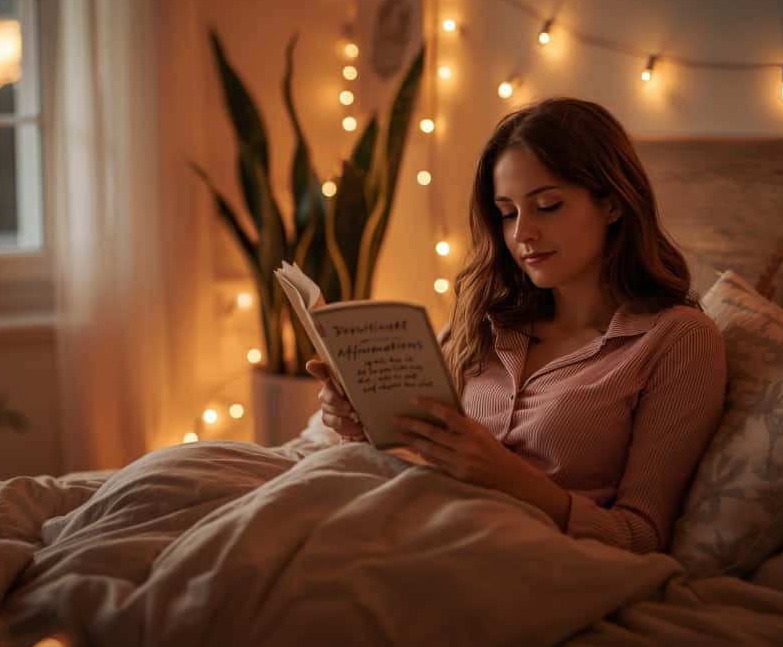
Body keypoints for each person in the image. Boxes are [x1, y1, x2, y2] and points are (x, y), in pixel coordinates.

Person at [305, 98, 727, 555]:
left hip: (514, 555)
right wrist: (359, 423)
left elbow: (640, 537)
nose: (522, 233)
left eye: (547, 205)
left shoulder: (677, 340)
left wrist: (509, 478)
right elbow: (415, 446)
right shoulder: (486, 320)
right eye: (507, 213)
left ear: (612, 203)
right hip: (411, 517)